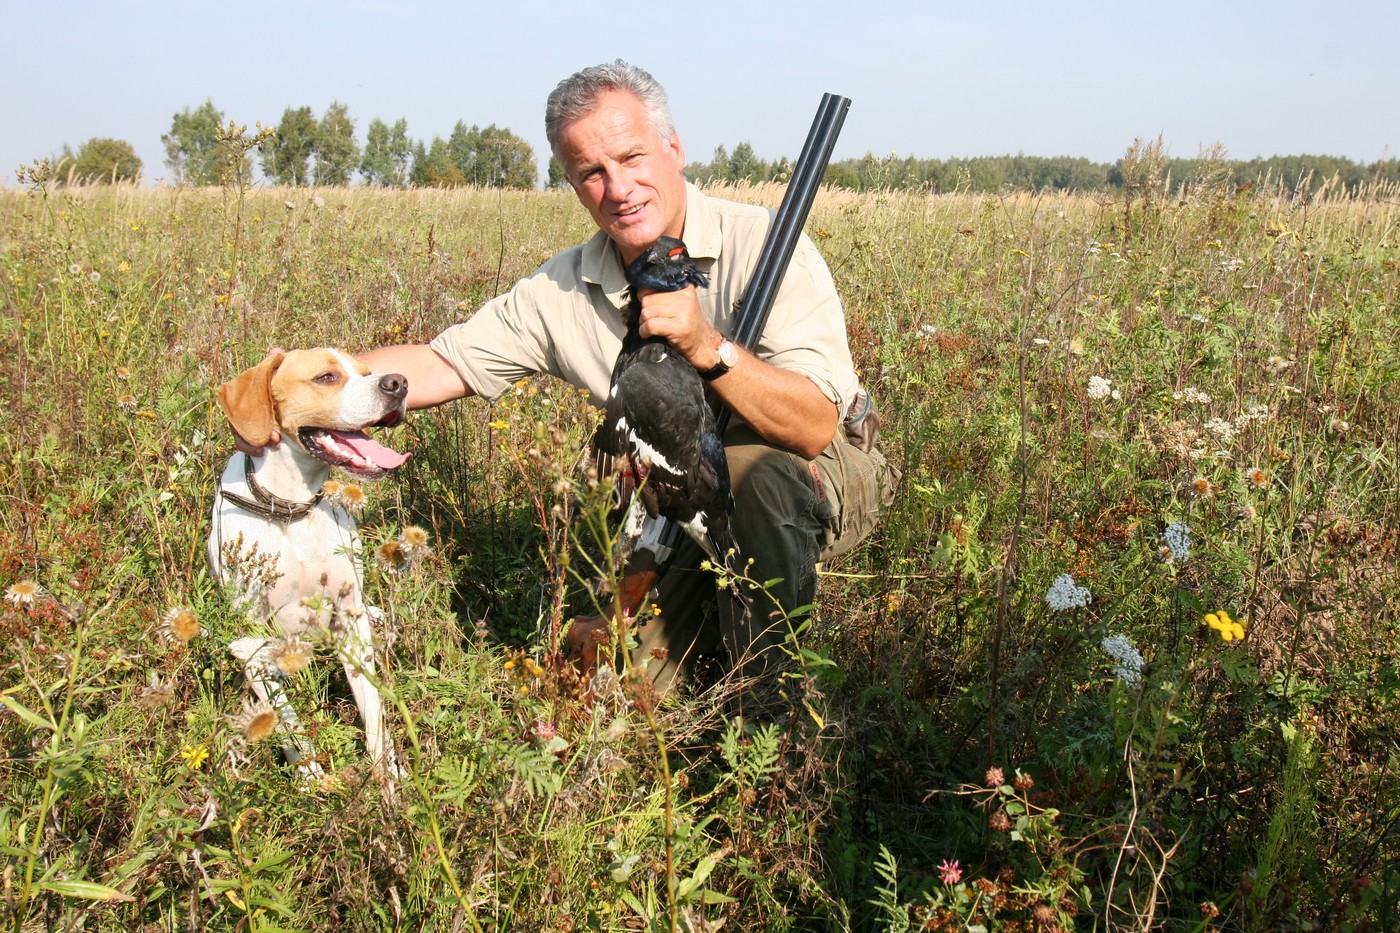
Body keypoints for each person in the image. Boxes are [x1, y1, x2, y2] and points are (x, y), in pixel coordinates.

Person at [263, 61, 894, 717]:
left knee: (753, 474)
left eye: (632, 156)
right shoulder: (564, 287)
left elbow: (815, 424)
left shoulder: (767, 243)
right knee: (621, 699)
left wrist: (707, 346)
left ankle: (777, 726)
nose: (618, 187)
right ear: (571, 183)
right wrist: (302, 387)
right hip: (683, 494)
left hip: (819, 464)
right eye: (591, 172)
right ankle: (694, 639)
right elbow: (440, 362)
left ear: (674, 150)